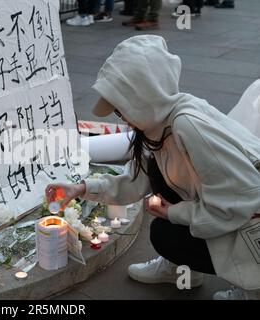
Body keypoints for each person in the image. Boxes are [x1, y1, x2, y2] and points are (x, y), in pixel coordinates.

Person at [45, 35, 260, 300]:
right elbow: (136, 181)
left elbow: (239, 203)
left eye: (119, 104)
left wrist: (174, 213)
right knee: (161, 202)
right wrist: (81, 188)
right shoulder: (161, 123)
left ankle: (253, 286)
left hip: (251, 225)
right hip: (229, 212)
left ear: (142, 94)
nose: (118, 114)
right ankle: (184, 270)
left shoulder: (187, 126)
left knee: (164, 233)